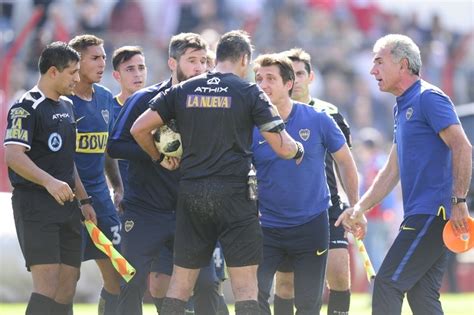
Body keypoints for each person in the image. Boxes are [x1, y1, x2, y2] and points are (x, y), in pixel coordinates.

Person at [131, 30, 304, 315]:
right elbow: (282, 148)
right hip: (235, 195)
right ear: (244, 59)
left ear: (217, 56)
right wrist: (298, 149)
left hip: (192, 194)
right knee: (246, 288)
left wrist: (159, 157)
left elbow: (138, 128)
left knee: (181, 284)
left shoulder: (183, 89)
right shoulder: (249, 92)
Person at [336, 34, 473, 314]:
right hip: (423, 214)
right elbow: (391, 171)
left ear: (403, 65)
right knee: (422, 298)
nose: (372, 70)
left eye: (379, 62)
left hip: (433, 213)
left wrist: (460, 202)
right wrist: (360, 208)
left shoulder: (428, 98)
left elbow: (462, 146)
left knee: (386, 284)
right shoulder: (403, 106)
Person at [108, 32, 221, 315]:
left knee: (207, 284)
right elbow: (116, 145)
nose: (199, 67)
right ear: (173, 62)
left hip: (191, 210)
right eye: (192, 60)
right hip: (146, 210)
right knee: (131, 282)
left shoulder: (212, 104)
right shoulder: (145, 99)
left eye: (204, 61)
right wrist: (157, 154)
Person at [252, 53, 359, 315]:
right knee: (253, 297)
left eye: (270, 78)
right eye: (258, 79)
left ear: (288, 84)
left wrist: (356, 206)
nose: (263, 85)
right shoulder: (249, 124)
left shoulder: (319, 119)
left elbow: (345, 161)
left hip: (311, 225)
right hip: (266, 226)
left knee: (309, 305)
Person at [3, 41, 96, 315]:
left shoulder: (68, 106)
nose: (78, 79)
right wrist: (49, 182)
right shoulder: (26, 106)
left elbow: (68, 161)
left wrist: (84, 199)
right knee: (47, 285)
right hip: (35, 206)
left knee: (68, 285)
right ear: (53, 72)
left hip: (67, 206)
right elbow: (14, 156)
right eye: (72, 72)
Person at [68, 34, 124, 315]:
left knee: (118, 273)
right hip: (68, 201)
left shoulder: (104, 97)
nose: (102, 63)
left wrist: (117, 186)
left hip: (100, 200)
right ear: (76, 62)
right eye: (95, 57)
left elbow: (107, 150)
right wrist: (82, 198)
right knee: (66, 278)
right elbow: (64, 159)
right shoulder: (63, 100)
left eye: (104, 57)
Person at [111, 45, 147, 195]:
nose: (138, 74)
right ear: (117, 76)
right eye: (130, 69)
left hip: (151, 192)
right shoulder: (108, 108)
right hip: (121, 192)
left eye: (141, 67)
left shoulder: (157, 106)